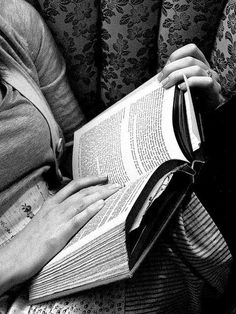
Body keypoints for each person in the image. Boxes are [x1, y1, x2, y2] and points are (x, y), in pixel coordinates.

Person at [0, 1, 233, 313]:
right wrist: (11, 259)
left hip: (75, 220)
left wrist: (192, 113)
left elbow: (74, 143)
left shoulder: (13, 23)